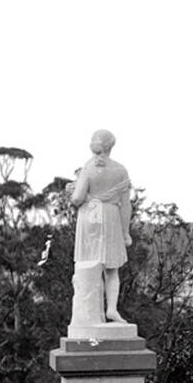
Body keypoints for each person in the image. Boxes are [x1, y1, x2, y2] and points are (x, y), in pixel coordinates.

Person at [68, 129, 133, 323]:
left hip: (91, 213)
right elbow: (126, 205)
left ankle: (89, 312)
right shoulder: (120, 170)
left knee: (88, 264)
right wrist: (125, 232)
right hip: (111, 215)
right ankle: (111, 309)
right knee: (111, 269)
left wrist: (72, 191)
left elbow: (78, 198)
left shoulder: (88, 167)